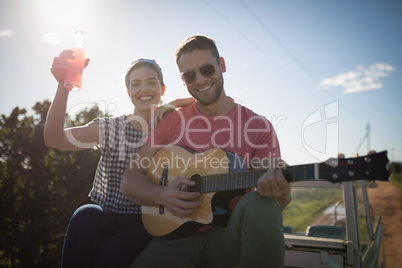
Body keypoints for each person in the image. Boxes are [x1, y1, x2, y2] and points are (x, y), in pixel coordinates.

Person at [121, 35, 291, 267]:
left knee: (264, 203)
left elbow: (271, 204)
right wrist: (162, 195)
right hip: (174, 235)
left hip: (228, 237)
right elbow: (130, 179)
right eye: (189, 75)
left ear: (221, 65)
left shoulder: (258, 126)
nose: (200, 80)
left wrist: (281, 192)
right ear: (183, 80)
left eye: (207, 69)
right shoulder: (172, 120)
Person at [44, 50, 194, 268]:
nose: (143, 89)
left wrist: (177, 102)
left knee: (108, 255)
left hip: (146, 220)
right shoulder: (110, 127)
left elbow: (214, 103)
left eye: (151, 83)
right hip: (106, 214)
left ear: (162, 90)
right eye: (136, 84)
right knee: (85, 214)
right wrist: (62, 86)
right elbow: (54, 139)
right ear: (128, 91)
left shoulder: (172, 132)